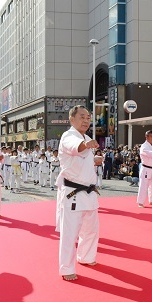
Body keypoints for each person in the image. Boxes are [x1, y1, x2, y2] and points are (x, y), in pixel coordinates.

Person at [57, 105, 101, 281]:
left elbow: (81, 161)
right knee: (70, 233)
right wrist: (85, 145)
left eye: (88, 117)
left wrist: (94, 160)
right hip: (74, 192)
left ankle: (86, 256)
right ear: (71, 119)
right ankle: (66, 268)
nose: (86, 120)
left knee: (91, 229)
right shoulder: (69, 137)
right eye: (82, 116)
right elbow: (76, 147)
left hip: (89, 191)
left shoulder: (87, 137)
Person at [137, 130, 152, 208]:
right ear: (147, 137)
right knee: (143, 185)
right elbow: (151, 154)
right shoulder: (144, 146)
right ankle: (140, 202)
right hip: (146, 168)